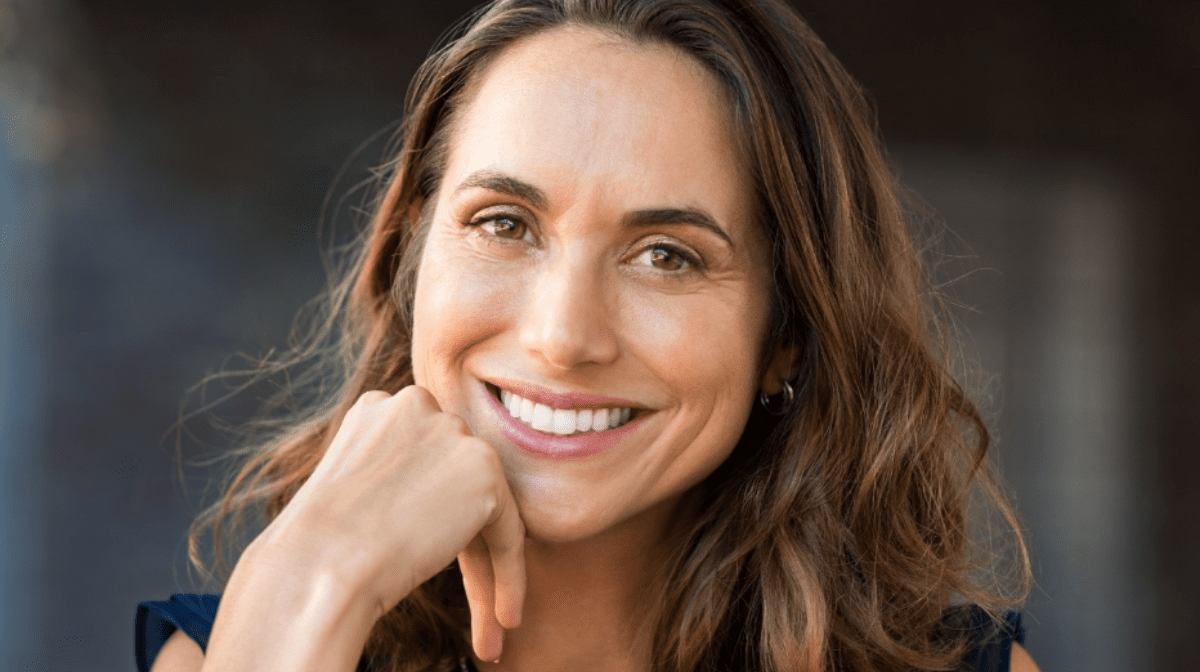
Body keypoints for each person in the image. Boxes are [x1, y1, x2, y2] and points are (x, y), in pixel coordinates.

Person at [135, 1, 1040, 670]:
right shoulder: (241, 648)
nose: (564, 337)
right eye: (505, 224)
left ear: (787, 337)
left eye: (666, 256)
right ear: (417, 253)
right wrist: (312, 578)